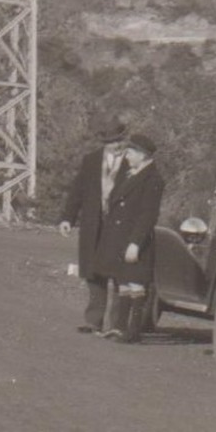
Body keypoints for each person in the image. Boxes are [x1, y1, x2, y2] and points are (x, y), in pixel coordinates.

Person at [59, 125, 165, 343]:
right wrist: (67, 217)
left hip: (122, 228)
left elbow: (145, 209)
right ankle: (94, 320)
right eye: (110, 142)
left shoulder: (135, 164)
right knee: (93, 270)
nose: (116, 147)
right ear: (104, 144)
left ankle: (118, 324)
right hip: (94, 224)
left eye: (119, 141)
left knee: (122, 275)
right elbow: (77, 191)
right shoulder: (91, 160)